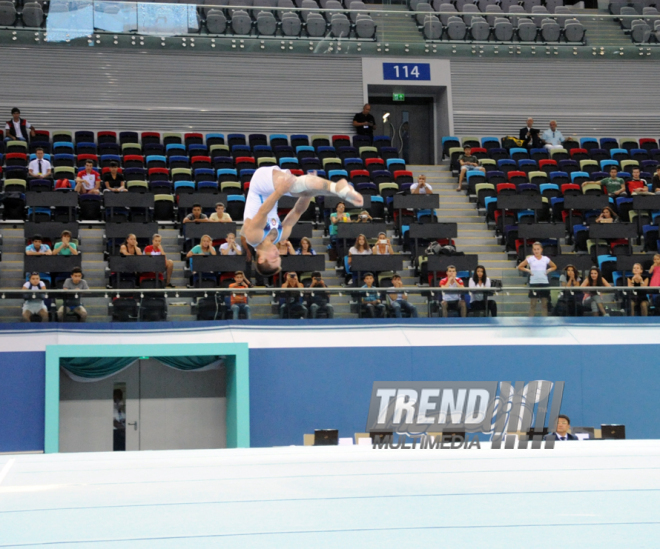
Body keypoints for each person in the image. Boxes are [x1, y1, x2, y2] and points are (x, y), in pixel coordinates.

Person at [241, 165, 362, 277]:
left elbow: (263, 212)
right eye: (279, 258)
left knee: (296, 186)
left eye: (274, 259)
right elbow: (297, 211)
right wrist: (310, 192)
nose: (278, 254)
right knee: (306, 190)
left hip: (259, 184)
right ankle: (337, 190)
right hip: (272, 191)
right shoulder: (281, 236)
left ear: (261, 259)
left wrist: (279, 192)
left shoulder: (253, 238)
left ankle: (337, 188)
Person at [517, 241, 557, 317]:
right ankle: (531, 321)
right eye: (534, 249)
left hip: (544, 283)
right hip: (534, 283)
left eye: (538, 249)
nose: (536, 251)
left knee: (544, 304)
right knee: (533, 304)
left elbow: (554, 266)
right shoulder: (530, 259)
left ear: (541, 250)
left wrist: (548, 270)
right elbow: (520, 266)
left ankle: (544, 320)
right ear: (532, 250)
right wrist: (528, 270)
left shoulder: (545, 259)